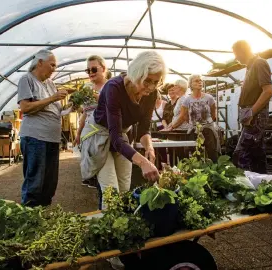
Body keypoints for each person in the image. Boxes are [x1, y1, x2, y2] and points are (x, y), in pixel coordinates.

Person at [80, 51, 165, 208]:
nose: (151, 87)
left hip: (121, 136)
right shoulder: (114, 88)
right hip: (100, 135)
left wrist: (149, 147)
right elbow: (116, 137)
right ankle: (109, 230)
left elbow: (144, 129)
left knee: (125, 188)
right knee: (111, 192)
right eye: (147, 81)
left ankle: (122, 227)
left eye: (156, 82)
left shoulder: (152, 94)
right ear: (136, 74)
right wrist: (143, 163)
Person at [17, 50, 68, 207]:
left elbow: (57, 110)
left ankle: (43, 215)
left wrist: (71, 107)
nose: (54, 69)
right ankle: (29, 218)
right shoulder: (27, 79)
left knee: (50, 182)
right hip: (35, 138)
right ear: (39, 62)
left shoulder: (50, 84)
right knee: (35, 182)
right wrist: (52, 98)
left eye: (56, 66)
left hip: (52, 138)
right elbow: (25, 108)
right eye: (52, 65)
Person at [232, 40, 272, 174]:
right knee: (256, 154)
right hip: (251, 115)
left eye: (235, 54)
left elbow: (268, 91)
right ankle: (262, 186)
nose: (235, 57)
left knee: (240, 155)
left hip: (256, 116)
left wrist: (251, 113)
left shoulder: (259, 63)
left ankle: (244, 190)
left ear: (241, 51)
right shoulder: (250, 67)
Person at [165, 74, 220, 162]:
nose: (200, 82)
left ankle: (214, 172)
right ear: (191, 84)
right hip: (193, 130)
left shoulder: (209, 98)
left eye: (200, 80)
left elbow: (214, 115)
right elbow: (184, 116)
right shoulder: (187, 100)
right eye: (196, 81)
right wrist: (193, 124)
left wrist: (205, 124)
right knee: (195, 155)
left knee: (212, 154)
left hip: (208, 129)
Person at [74, 55, 109, 188]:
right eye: (87, 71)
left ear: (103, 68)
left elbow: (114, 108)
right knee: (96, 174)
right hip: (89, 136)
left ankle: (105, 205)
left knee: (103, 174)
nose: (90, 73)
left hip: (103, 136)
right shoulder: (87, 88)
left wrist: (97, 96)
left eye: (93, 69)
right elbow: (85, 113)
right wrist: (78, 133)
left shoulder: (109, 86)